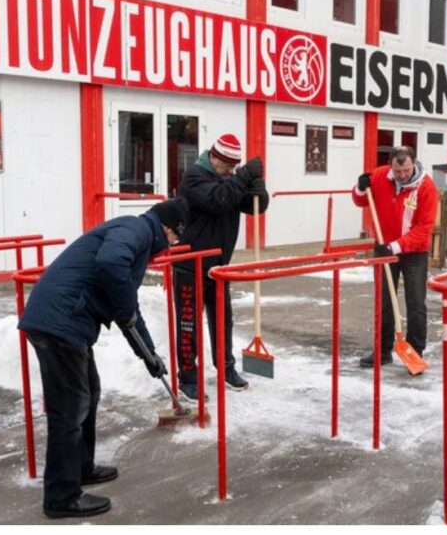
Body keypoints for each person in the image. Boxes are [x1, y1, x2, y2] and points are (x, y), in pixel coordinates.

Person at [18, 198, 189, 519]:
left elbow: (128, 310)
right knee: (69, 409)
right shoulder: (136, 229)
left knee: (89, 393)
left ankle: (81, 469)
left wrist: (148, 355)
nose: (171, 246)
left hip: (68, 322)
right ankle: (61, 496)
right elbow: (111, 266)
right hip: (60, 321)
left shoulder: (135, 234)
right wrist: (124, 310)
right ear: (167, 229)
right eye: (175, 239)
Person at [173, 133, 268, 401]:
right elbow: (218, 200)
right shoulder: (195, 176)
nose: (230, 171)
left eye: (233, 167)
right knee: (188, 323)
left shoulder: (229, 181)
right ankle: (188, 377)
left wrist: (258, 188)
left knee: (223, 321)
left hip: (218, 267)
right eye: (226, 165)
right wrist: (243, 177)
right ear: (213, 156)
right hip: (190, 266)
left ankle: (226, 367)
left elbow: (253, 205)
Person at [352, 145, 437, 367]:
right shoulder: (380, 175)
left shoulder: (426, 187)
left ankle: (415, 351)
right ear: (391, 165)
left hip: (413, 252)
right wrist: (360, 188)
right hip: (383, 247)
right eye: (398, 171)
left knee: (416, 301)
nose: (402, 176)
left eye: (406, 171)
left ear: (414, 164)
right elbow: (360, 200)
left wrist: (396, 246)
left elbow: (424, 229)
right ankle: (382, 350)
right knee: (384, 301)